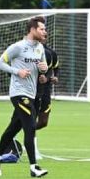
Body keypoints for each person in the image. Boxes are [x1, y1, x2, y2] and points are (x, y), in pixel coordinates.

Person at [0, 16, 49, 178]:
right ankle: (34, 167)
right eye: (42, 29)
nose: (45, 31)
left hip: (32, 93)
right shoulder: (18, 47)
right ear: (33, 29)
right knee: (30, 128)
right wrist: (17, 72)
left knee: (13, 128)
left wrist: (44, 70)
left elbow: (42, 70)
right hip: (19, 93)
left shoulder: (40, 49)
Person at [34, 20, 59, 161]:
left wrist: (53, 78)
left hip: (46, 91)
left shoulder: (51, 53)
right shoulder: (29, 51)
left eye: (45, 34)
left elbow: (55, 69)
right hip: (33, 90)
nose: (44, 35)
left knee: (43, 122)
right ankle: (33, 148)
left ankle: (27, 131)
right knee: (31, 119)